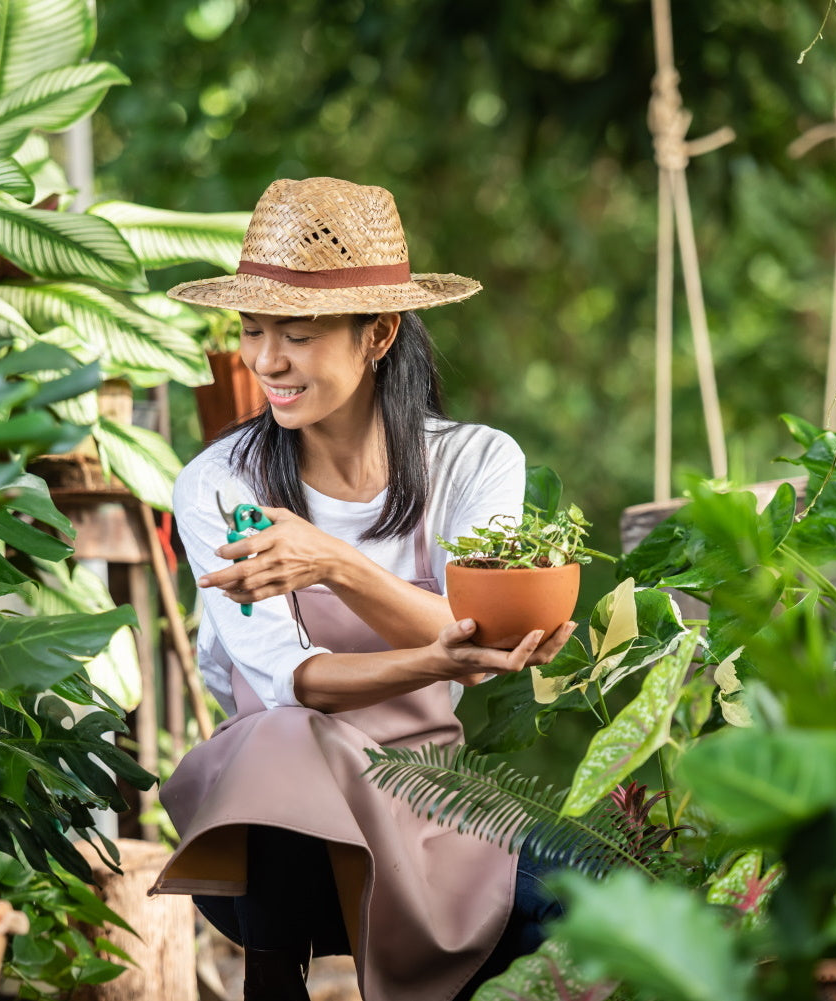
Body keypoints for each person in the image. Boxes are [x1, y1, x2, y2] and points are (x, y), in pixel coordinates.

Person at [150, 176, 575, 1001]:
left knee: (589, 904)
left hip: (428, 803)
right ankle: (271, 978)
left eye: (297, 335)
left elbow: (481, 647)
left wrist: (333, 563)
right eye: (253, 330)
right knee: (285, 732)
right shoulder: (218, 484)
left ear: (377, 332)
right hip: (273, 840)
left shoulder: (476, 462)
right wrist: (445, 647)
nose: (265, 360)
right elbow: (298, 679)